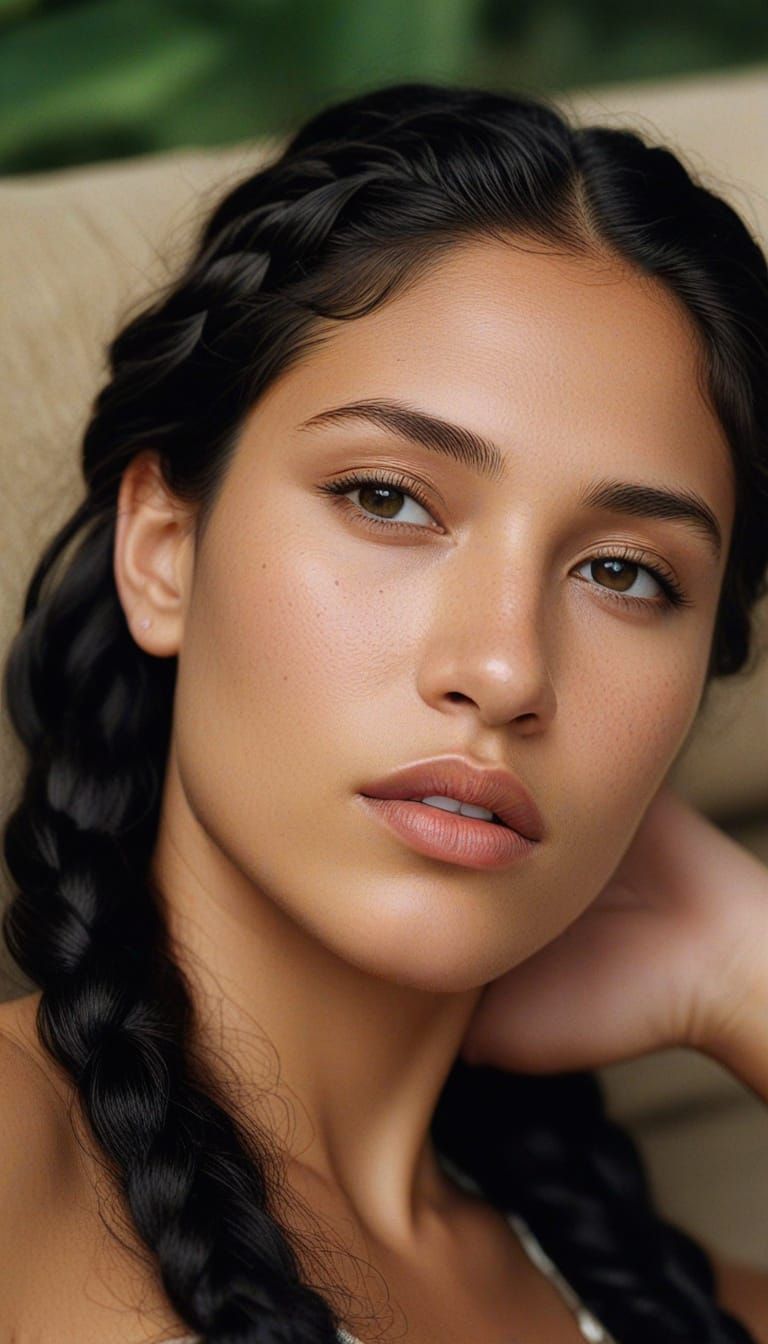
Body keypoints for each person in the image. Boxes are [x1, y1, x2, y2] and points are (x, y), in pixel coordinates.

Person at [1, 78, 768, 1344]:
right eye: (389, 499)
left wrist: (743, 972)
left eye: (624, 573)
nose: (508, 668)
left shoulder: (651, 1290)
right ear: (162, 548)